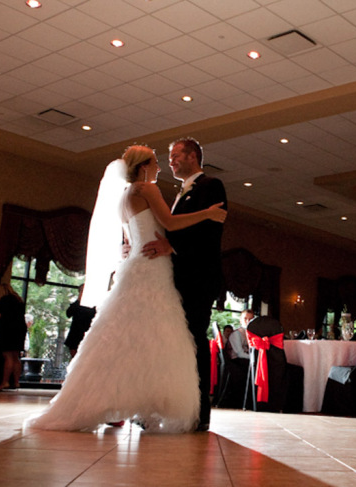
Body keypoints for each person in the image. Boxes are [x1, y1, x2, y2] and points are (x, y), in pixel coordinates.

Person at [24, 145, 226, 433]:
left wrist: (132, 248)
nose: (161, 166)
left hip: (135, 268)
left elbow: (127, 241)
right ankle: (145, 404)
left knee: (123, 336)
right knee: (155, 339)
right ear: (143, 166)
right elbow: (168, 223)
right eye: (157, 162)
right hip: (153, 270)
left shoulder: (123, 196)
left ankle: (115, 401)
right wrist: (207, 214)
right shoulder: (147, 189)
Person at [142, 137, 227, 432]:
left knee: (193, 340)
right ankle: (174, 405)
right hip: (178, 278)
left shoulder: (211, 185)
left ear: (193, 156)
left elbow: (209, 233)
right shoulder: (181, 193)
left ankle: (200, 412)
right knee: (176, 342)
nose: (171, 161)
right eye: (169, 157)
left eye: (176, 155)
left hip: (199, 277)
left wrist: (172, 247)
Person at [0, 282, 26, 391]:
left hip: (8, 330)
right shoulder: (19, 300)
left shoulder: (4, 300)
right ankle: (16, 382)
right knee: (16, 356)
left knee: (8, 356)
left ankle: (5, 382)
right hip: (20, 329)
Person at [63, 285, 96, 358]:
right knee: (74, 359)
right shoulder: (77, 304)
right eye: (81, 291)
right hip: (75, 335)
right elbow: (68, 313)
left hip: (87, 335)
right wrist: (78, 300)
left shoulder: (93, 304)